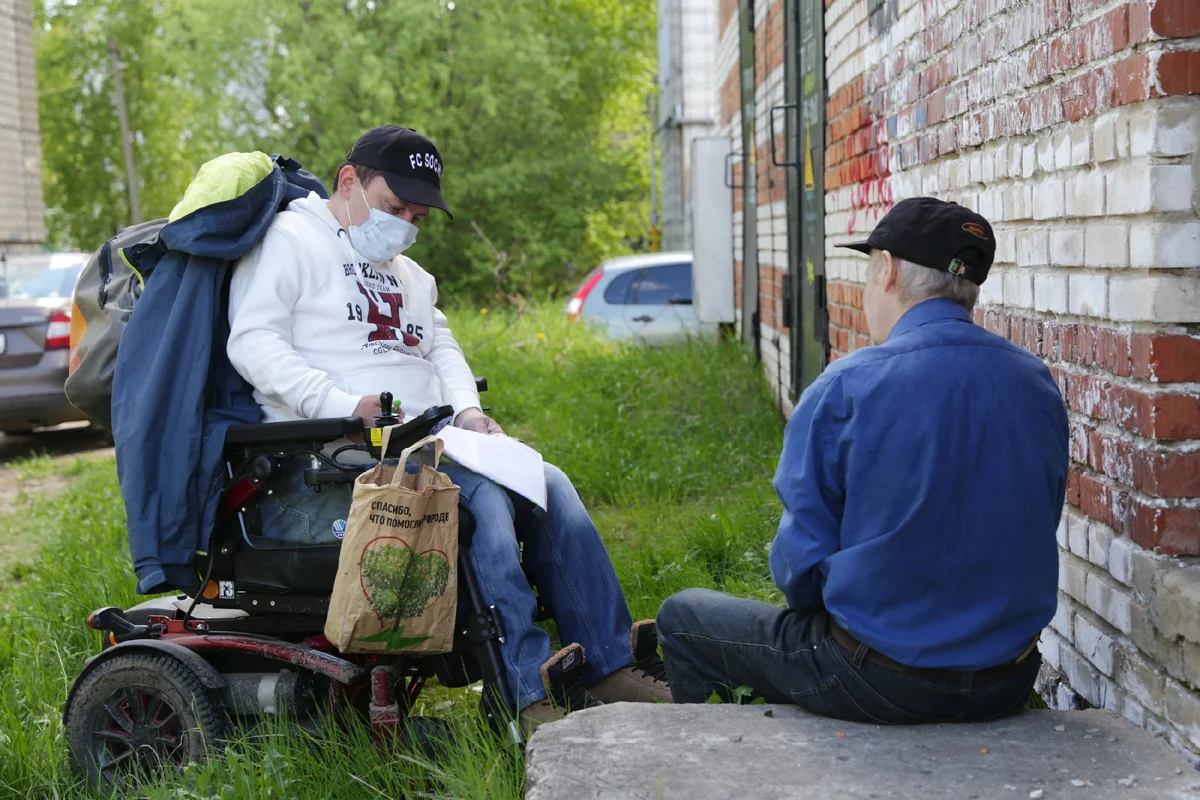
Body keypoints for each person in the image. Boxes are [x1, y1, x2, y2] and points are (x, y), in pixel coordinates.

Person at [226, 125, 670, 731]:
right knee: (480, 501)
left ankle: (608, 660)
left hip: (426, 444)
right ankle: (522, 690)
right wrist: (339, 402)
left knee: (550, 484)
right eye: (394, 206)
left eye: (417, 214)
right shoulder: (291, 240)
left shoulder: (408, 272)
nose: (405, 222)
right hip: (325, 462)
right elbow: (253, 343)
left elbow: (439, 342)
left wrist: (465, 409)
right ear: (349, 182)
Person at [655, 197, 1068, 723]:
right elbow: (1038, 520)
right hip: (1007, 681)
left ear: (888, 270)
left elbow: (798, 572)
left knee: (682, 616)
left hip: (878, 681)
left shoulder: (847, 386)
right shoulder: (1036, 382)